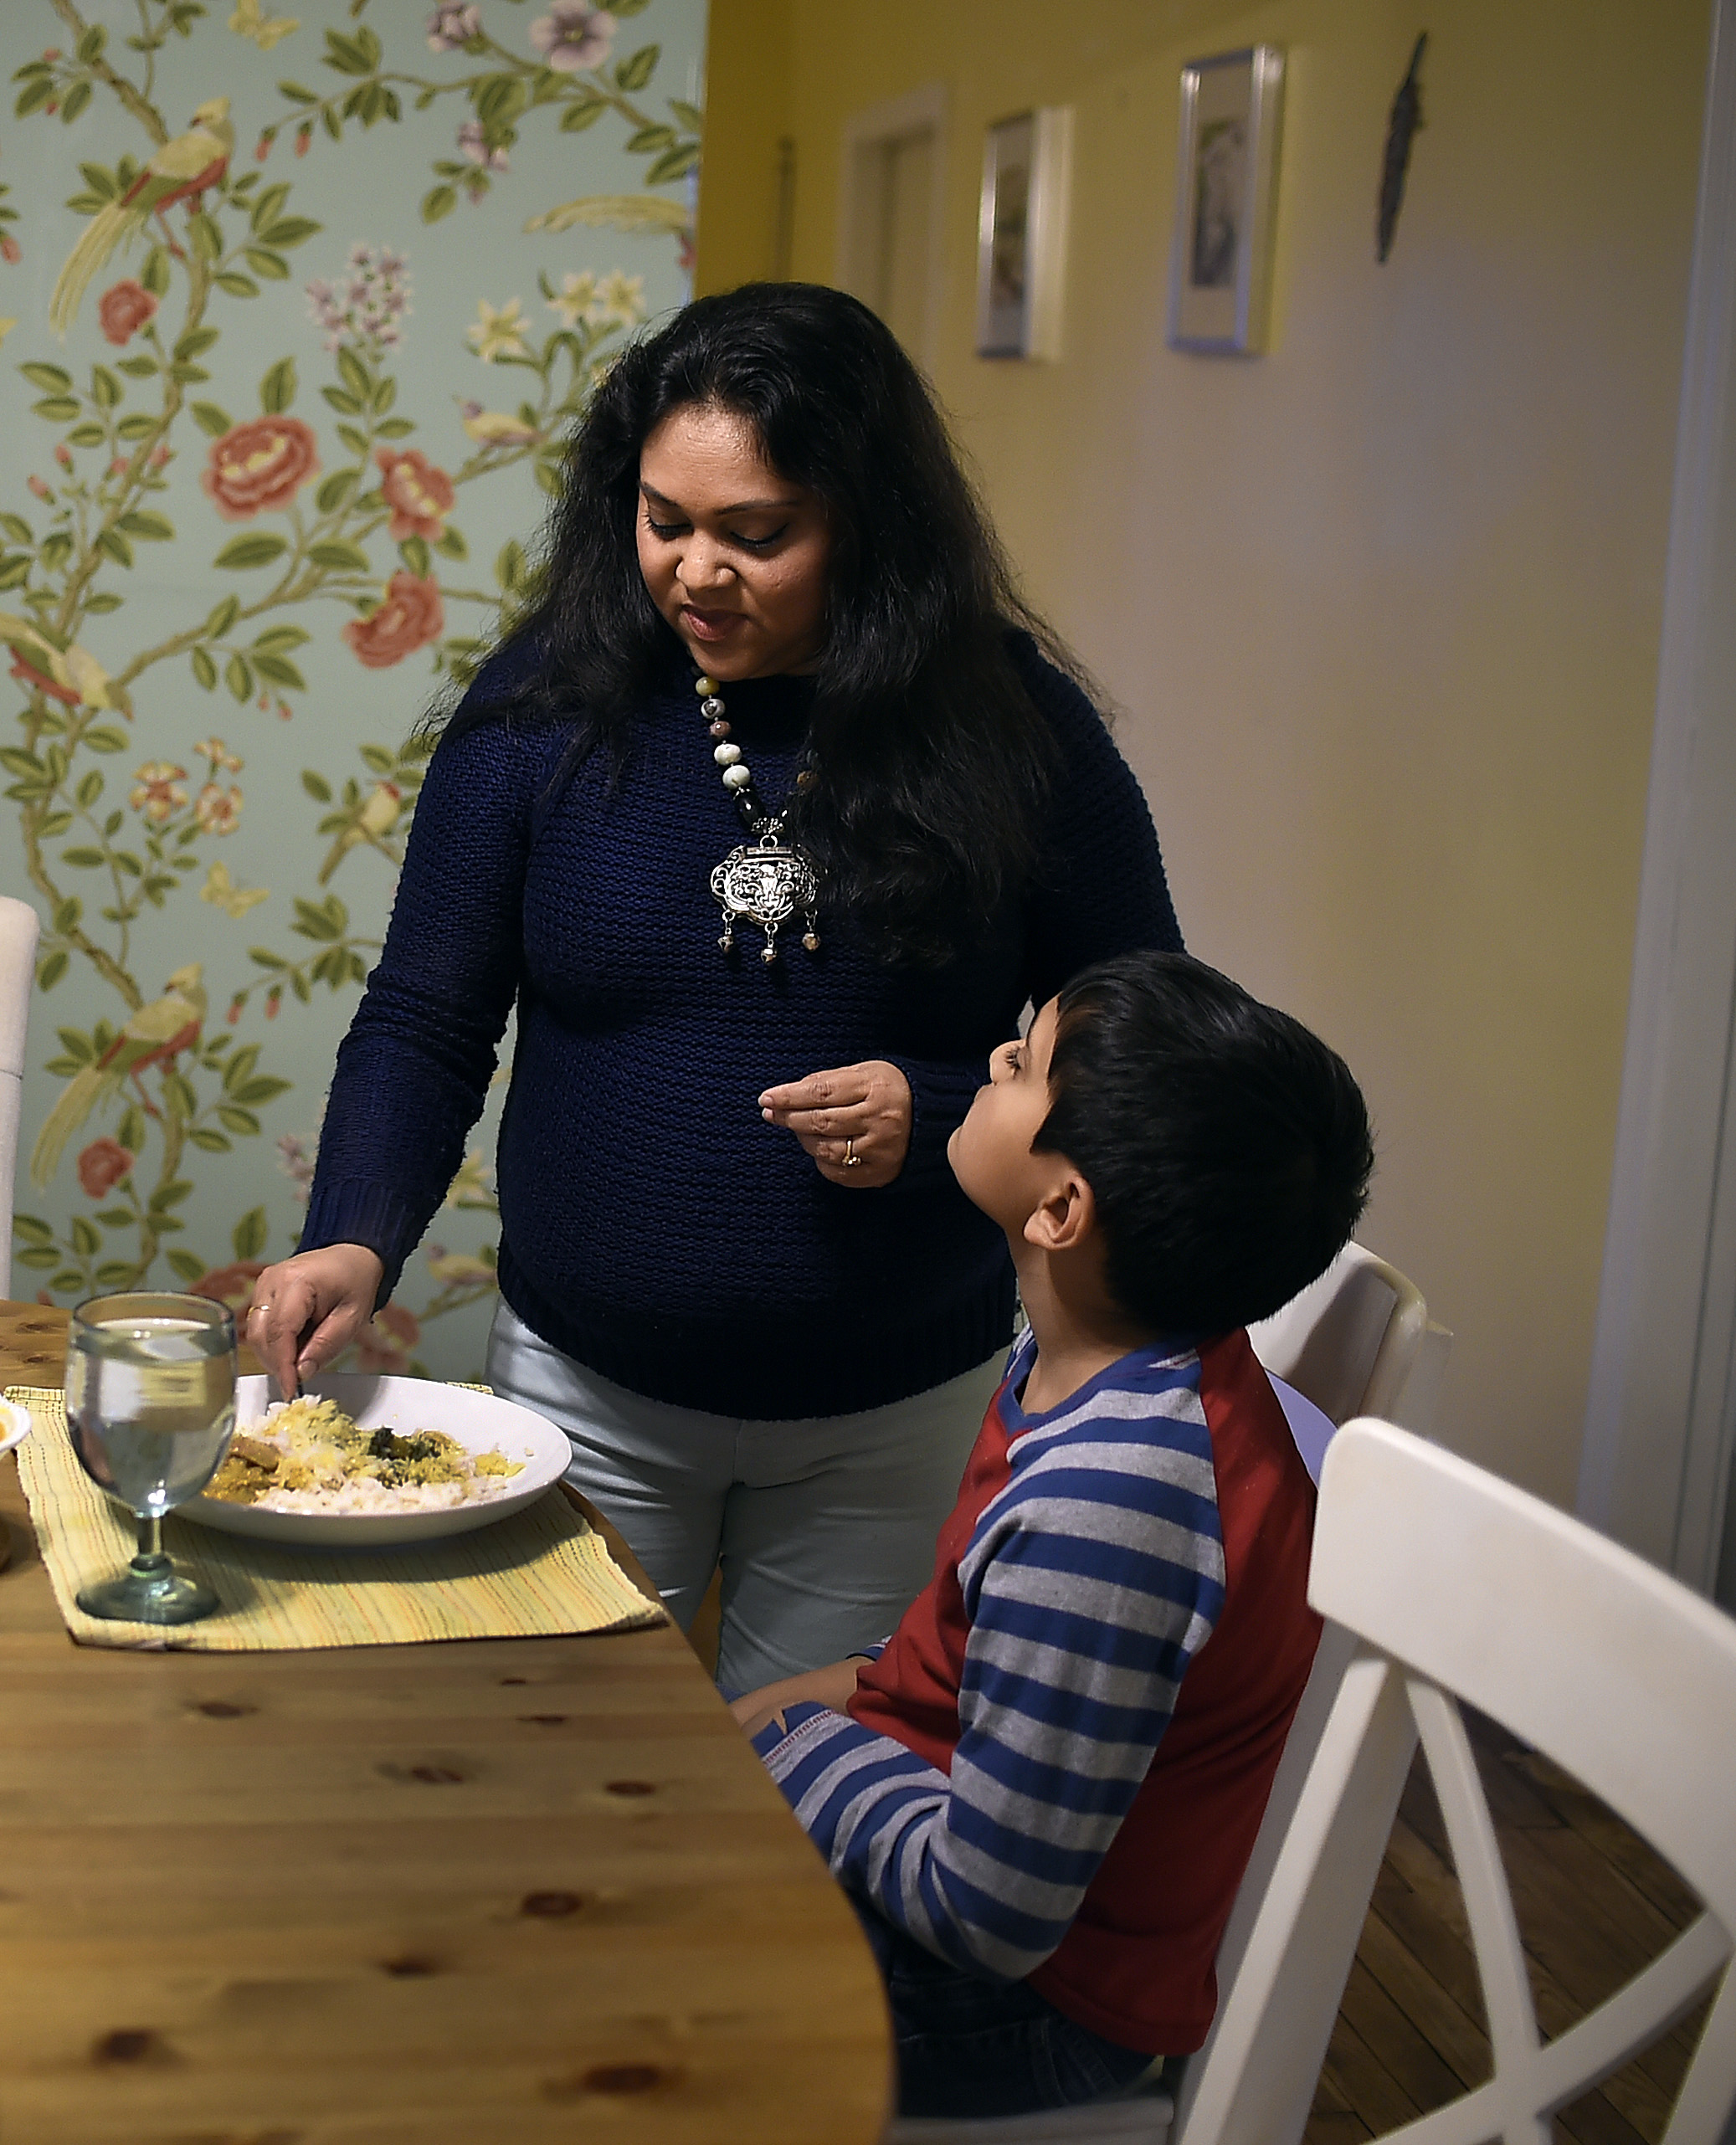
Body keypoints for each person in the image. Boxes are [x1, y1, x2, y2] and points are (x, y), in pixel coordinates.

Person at [240, 283, 1181, 1691]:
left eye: (757, 534)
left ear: (865, 525)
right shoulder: (543, 707)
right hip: (583, 1384)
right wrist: (352, 1238)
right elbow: (426, 1018)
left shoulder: (1009, 727)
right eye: (661, 519)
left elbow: (1135, 1034)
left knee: (802, 1809)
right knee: (564, 1765)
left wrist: (935, 1118)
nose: (694, 571)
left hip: (894, 1402)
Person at [736, 949, 1374, 2117]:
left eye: (1023, 1065)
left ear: (1060, 1208)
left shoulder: (1112, 1502)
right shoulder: (1105, 1353)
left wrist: (789, 1747)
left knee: (591, 1971)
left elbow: (989, 1916)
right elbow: (989, 1661)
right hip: (959, 1839)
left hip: (1033, 2008)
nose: (992, 1057)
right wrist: (824, 1699)